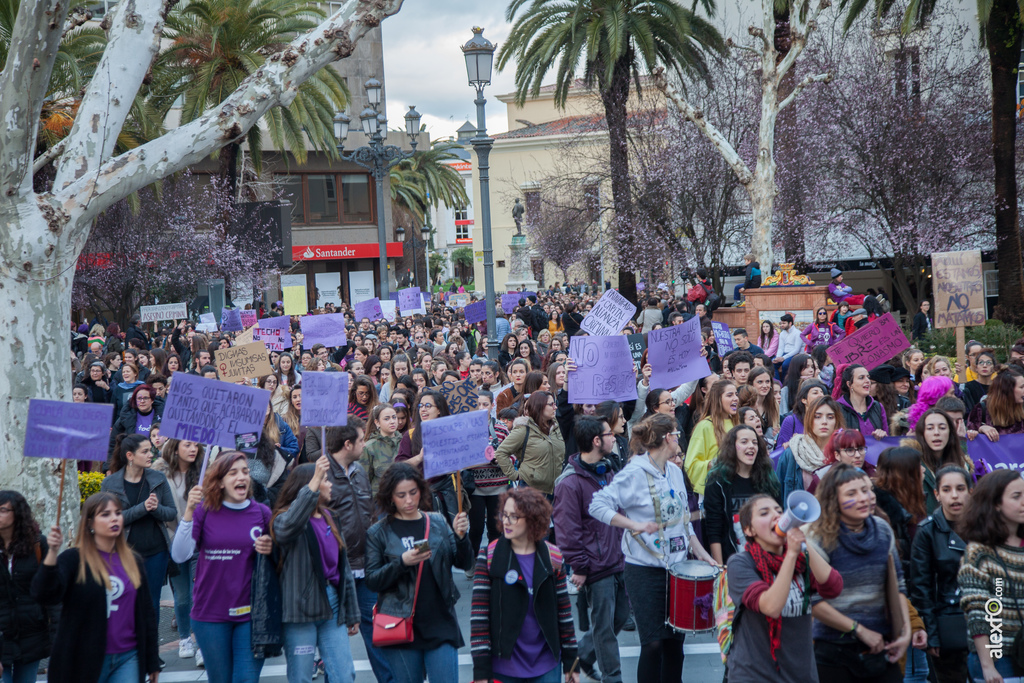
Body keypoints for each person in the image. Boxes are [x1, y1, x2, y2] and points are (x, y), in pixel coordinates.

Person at [590, 414, 717, 683]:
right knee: (653, 643)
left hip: (678, 570)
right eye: (675, 434)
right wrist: (633, 523)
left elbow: (684, 523)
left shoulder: (673, 471)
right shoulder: (634, 472)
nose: (678, 439)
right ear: (665, 439)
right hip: (644, 571)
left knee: (675, 645)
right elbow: (598, 505)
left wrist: (705, 557)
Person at [31, 492, 161, 683]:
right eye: (105, 514)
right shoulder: (74, 559)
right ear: (90, 523)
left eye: (118, 513)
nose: (114, 518)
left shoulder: (133, 560)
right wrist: (51, 553)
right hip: (84, 659)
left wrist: (152, 660)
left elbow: (146, 613)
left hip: (128, 657)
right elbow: (44, 593)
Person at [170, 450, 274, 683]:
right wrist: (188, 512)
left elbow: (279, 561)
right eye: (233, 473)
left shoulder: (261, 513)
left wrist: (272, 548)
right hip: (210, 615)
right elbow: (179, 555)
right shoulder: (203, 511)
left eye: (245, 472)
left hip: (251, 615)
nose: (242, 478)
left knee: (246, 679)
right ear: (219, 482)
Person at [364, 464, 473, 683]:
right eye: (401, 495)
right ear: (390, 497)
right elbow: (373, 580)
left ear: (421, 490)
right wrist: (402, 563)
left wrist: (462, 537)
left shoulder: (438, 522)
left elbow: (465, 562)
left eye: (413, 492)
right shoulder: (378, 532)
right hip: (400, 622)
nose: (409, 500)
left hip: (440, 620)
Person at [806, 465, 911, 683]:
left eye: (866, 490)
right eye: (852, 493)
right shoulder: (818, 537)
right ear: (833, 499)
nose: (864, 498)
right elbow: (813, 601)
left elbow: (898, 584)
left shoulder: (882, 529)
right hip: (834, 651)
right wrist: (859, 631)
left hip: (880, 647)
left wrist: (905, 631)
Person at [725, 494, 843, 683]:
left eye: (779, 511)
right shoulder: (740, 563)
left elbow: (833, 587)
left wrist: (804, 546)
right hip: (755, 675)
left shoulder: (801, 560)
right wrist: (792, 555)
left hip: (801, 674)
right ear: (748, 529)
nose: (776, 516)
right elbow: (771, 607)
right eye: (764, 513)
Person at [470, 487, 579, 683]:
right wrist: (480, 671)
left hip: (547, 666)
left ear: (532, 520)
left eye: (514, 517)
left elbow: (564, 614)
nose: (506, 521)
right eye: (504, 515)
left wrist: (572, 663)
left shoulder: (553, 557)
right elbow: (479, 617)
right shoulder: (489, 555)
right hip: (503, 667)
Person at [271, 460, 361, 683]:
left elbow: (344, 569)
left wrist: (352, 610)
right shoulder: (284, 518)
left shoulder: (331, 517)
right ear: (310, 485)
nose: (330, 485)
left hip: (332, 605)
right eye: (325, 480)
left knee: (344, 674)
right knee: (301, 676)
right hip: (300, 611)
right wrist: (313, 482)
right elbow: (288, 527)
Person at [553, 416, 628, 683]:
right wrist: (581, 567)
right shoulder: (569, 483)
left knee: (618, 619)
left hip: (618, 559)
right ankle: (613, 677)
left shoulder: (607, 470)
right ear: (597, 441)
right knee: (605, 628)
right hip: (596, 566)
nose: (613, 438)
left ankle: (582, 653)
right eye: (609, 434)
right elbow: (567, 531)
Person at [322, 420, 392, 683]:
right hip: (337, 570)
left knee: (377, 630)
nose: (365, 444)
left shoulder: (360, 471)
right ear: (348, 444)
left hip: (366, 565)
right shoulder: (321, 473)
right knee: (335, 638)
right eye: (362, 440)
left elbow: (369, 513)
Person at [957, 469, 1024, 683]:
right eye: (1016, 496)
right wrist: (988, 665)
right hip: (999, 659)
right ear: (996, 504)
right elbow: (978, 611)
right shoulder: (979, 553)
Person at [100, 433, 176, 617]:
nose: (151, 454)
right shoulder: (110, 483)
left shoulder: (158, 478)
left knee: (151, 603)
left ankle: (150, 645)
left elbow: (171, 513)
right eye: (145, 451)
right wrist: (143, 508)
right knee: (126, 602)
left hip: (157, 552)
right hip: (123, 553)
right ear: (130, 456)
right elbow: (112, 520)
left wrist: (156, 508)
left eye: (150, 450)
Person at [909, 466, 969, 683]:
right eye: (947, 489)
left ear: (970, 491)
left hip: (988, 622)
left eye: (960, 488)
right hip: (947, 625)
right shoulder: (927, 532)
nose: (954, 495)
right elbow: (921, 588)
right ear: (937, 494)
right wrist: (932, 634)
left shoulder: (985, 527)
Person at [152, 438, 202, 660]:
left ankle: (202, 644)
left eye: (196, 445)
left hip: (202, 543)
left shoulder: (204, 472)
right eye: (188, 445)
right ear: (175, 447)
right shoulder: (161, 475)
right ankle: (185, 639)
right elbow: (162, 512)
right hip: (175, 542)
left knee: (201, 595)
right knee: (182, 597)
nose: (193, 449)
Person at [704, 425, 782, 565]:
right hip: (733, 563)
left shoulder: (768, 478)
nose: (751, 446)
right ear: (732, 447)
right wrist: (721, 569)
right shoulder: (717, 481)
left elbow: (778, 522)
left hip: (767, 561)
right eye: (744, 442)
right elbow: (714, 529)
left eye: (755, 442)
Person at [0, 491, 54, 683]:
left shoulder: (38, 545)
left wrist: (57, 637)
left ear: (18, 514)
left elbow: (51, 593)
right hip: (2, 635)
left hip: (32, 634)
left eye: (2, 510)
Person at [494, 391, 564, 496]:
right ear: (539, 407)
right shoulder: (523, 429)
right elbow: (501, 452)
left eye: (555, 404)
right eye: (551, 404)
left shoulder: (555, 426)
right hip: (531, 491)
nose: (555, 407)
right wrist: (515, 475)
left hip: (556, 489)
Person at [775, 396, 840, 501]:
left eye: (830, 417)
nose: (824, 421)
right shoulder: (793, 453)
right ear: (809, 419)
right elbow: (777, 495)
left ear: (836, 421)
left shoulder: (844, 453)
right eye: (817, 416)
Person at [685, 379, 738, 494]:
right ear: (718, 399)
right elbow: (691, 466)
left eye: (736, 394)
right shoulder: (704, 427)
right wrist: (714, 463)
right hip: (715, 494)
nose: (736, 398)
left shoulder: (738, 424)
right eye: (730, 395)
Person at [967, 368, 1024, 439]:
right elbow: (968, 439)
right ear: (1007, 390)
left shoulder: (1021, 408)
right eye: (1021, 387)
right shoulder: (981, 409)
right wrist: (980, 429)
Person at [836, 364, 888, 440]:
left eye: (868, 377)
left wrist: (883, 435)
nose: (867, 381)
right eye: (861, 378)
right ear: (849, 384)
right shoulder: (837, 408)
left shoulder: (878, 406)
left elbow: (887, 438)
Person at [362, 404, 402, 498]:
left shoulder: (405, 442)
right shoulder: (369, 447)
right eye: (386, 419)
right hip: (379, 501)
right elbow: (363, 481)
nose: (392, 421)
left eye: (394, 417)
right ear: (377, 422)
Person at [109, 384, 163, 452]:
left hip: (155, 459)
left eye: (146, 398)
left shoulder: (162, 417)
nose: (142, 401)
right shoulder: (126, 417)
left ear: (152, 400)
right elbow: (112, 443)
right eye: (139, 398)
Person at [775, 379, 828, 449]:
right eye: (815, 393)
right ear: (804, 400)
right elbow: (779, 451)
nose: (821, 395)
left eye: (822, 392)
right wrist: (792, 443)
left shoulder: (827, 421)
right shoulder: (790, 421)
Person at [961, 349, 997, 414]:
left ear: (994, 368)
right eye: (981, 363)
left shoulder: (998, 387)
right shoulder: (968, 387)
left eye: (988, 363)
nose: (985, 366)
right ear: (976, 367)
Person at [774, 314, 804, 381]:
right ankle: (777, 383)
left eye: (784, 323)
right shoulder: (782, 334)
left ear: (790, 323)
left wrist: (783, 358)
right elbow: (781, 348)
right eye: (781, 323)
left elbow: (796, 350)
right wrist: (778, 357)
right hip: (784, 354)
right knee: (772, 363)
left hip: (795, 355)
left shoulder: (798, 333)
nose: (782, 325)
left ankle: (785, 384)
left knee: (785, 365)